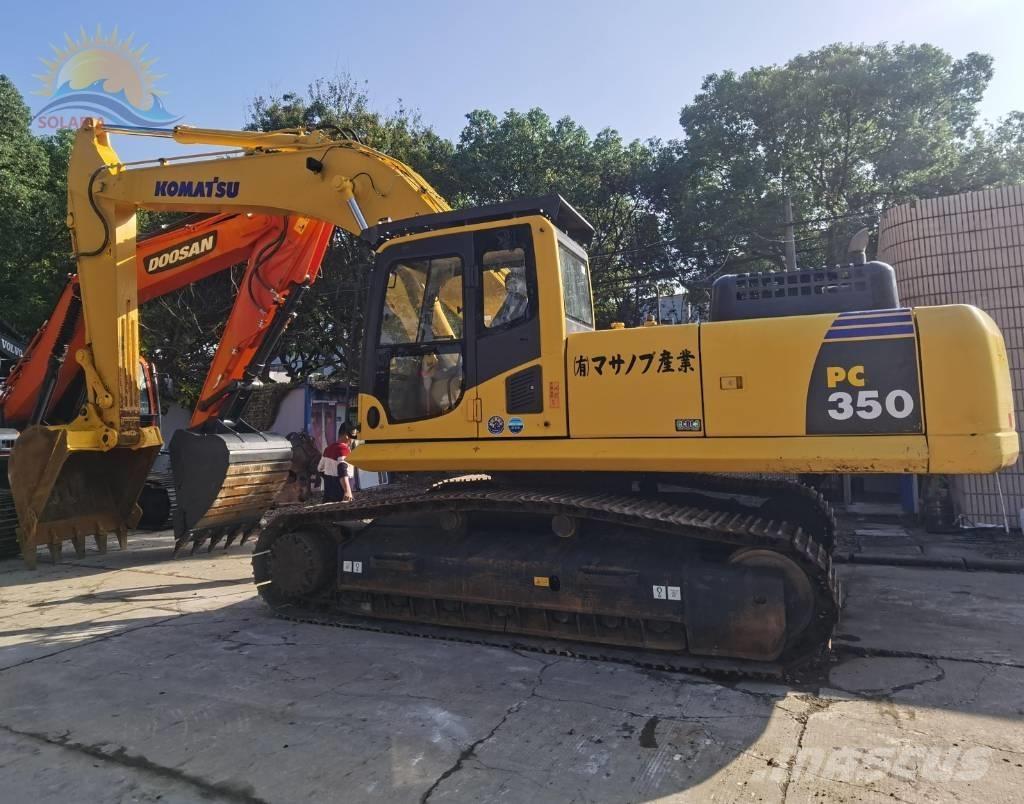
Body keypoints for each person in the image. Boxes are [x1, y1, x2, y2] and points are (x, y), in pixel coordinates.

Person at [318, 426, 355, 503]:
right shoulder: (344, 450)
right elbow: (342, 471)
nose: (355, 438)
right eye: (354, 435)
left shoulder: (328, 449)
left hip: (328, 496)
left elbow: (320, 469)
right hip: (341, 497)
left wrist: (330, 481)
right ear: (347, 435)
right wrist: (347, 491)